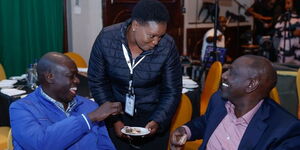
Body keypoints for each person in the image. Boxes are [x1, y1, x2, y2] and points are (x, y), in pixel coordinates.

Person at [88, 0, 182, 149]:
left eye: (160, 36)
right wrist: (115, 120)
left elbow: (172, 91)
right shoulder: (106, 39)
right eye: (151, 36)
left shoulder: (167, 46)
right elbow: (97, 81)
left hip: (152, 115)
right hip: (116, 114)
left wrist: (157, 120)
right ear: (135, 25)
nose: (156, 42)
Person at [170, 55, 300, 150]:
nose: (224, 75)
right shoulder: (219, 100)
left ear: (251, 84)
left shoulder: (284, 130)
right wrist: (185, 130)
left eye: (232, 72)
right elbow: (206, 121)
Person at [9, 52, 122, 150]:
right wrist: (88, 119)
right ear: (50, 77)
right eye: (71, 76)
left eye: (76, 76)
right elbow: (41, 145)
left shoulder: (90, 106)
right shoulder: (21, 108)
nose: (77, 81)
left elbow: (105, 146)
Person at [274, 0, 300, 65]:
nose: (286, 6)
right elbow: (277, 33)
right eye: (285, 4)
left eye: (288, 3)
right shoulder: (283, 17)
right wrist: (291, 33)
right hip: (286, 51)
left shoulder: (298, 17)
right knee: (285, 69)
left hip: (298, 50)